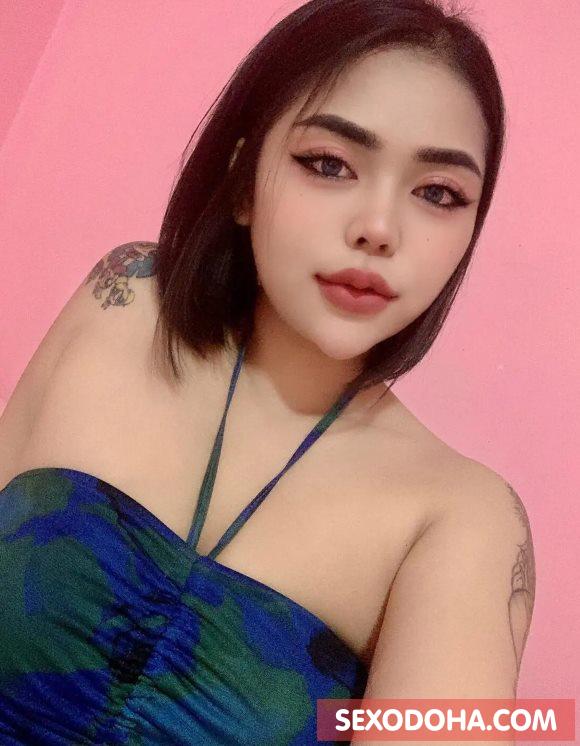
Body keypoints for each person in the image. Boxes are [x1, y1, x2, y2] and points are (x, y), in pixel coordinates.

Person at [0, 0, 535, 743]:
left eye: (438, 193)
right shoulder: (123, 301)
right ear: (243, 180)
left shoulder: (462, 520)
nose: (379, 228)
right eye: (329, 164)